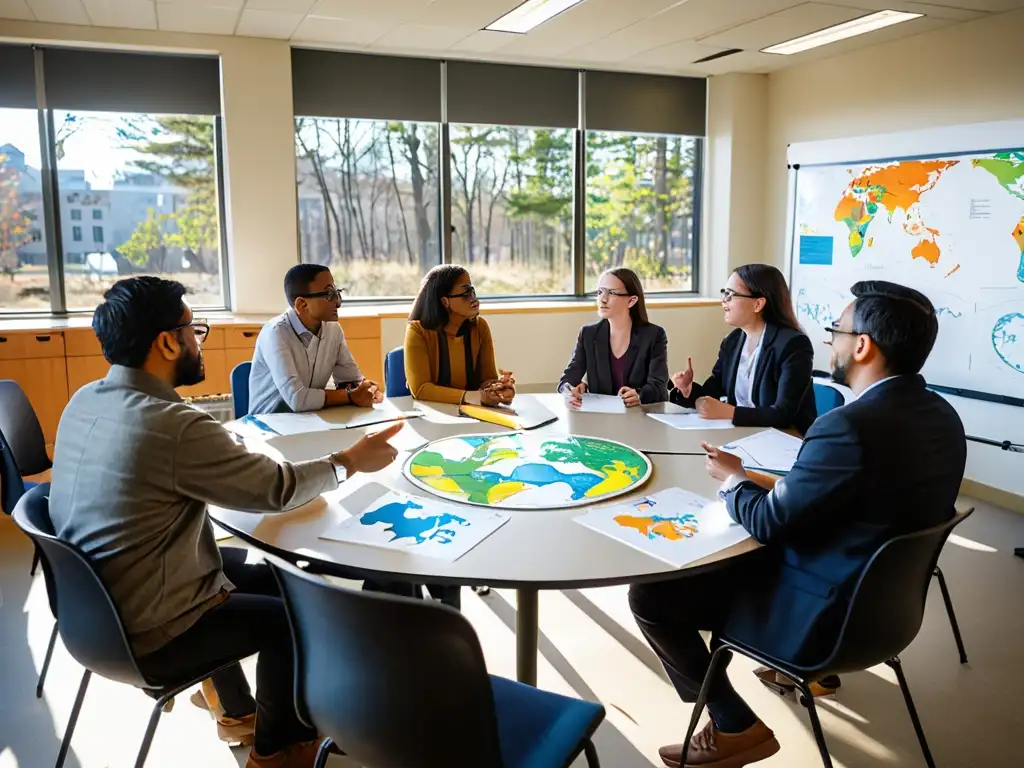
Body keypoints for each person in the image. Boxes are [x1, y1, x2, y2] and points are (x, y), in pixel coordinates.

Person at [49, 277, 405, 768]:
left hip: (95, 609)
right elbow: (274, 490)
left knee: (284, 579)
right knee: (297, 616)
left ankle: (235, 708)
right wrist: (349, 460)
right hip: (152, 627)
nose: (200, 339)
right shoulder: (170, 425)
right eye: (195, 328)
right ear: (167, 341)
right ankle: (277, 752)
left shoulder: (85, 398)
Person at [630, 280, 966, 768]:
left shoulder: (846, 426)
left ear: (863, 345)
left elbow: (768, 525)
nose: (831, 340)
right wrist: (771, 482)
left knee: (652, 596)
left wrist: (733, 481)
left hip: (823, 618)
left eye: (838, 330)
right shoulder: (943, 417)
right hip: (887, 611)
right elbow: (860, 497)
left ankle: (734, 725)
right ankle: (777, 681)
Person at [670, 264, 817, 434]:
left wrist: (729, 412)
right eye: (724, 293)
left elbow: (783, 413)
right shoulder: (732, 341)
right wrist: (687, 390)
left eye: (730, 295)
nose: (723, 301)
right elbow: (712, 392)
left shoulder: (793, 344)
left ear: (758, 304)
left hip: (785, 438)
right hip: (742, 434)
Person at [248, 263, 382, 415]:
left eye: (336, 293)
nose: (337, 302)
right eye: (328, 294)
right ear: (301, 304)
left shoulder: (333, 329)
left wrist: (365, 389)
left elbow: (350, 380)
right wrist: (351, 396)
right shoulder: (275, 333)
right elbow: (297, 399)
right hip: (268, 426)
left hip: (310, 420)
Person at [404, 265, 515, 406]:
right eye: (465, 293)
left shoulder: (480, 327)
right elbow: (420, 389)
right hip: (432, 414)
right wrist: (472, 397)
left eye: (473, 291)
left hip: (474, 415)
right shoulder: (418, 330)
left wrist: (499, 390)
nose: (474, 299)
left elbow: (487, 380)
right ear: (445, 301)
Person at [558, 268, 668, 408]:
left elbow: (659, 386)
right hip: (600, 418)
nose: (603, 299)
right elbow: (566, 380)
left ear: (631, 301)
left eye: (611, 293)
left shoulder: (654, 335)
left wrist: (639, 395)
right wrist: (570, 390)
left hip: (639, 417)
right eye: (599, 292)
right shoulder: (588, 334)